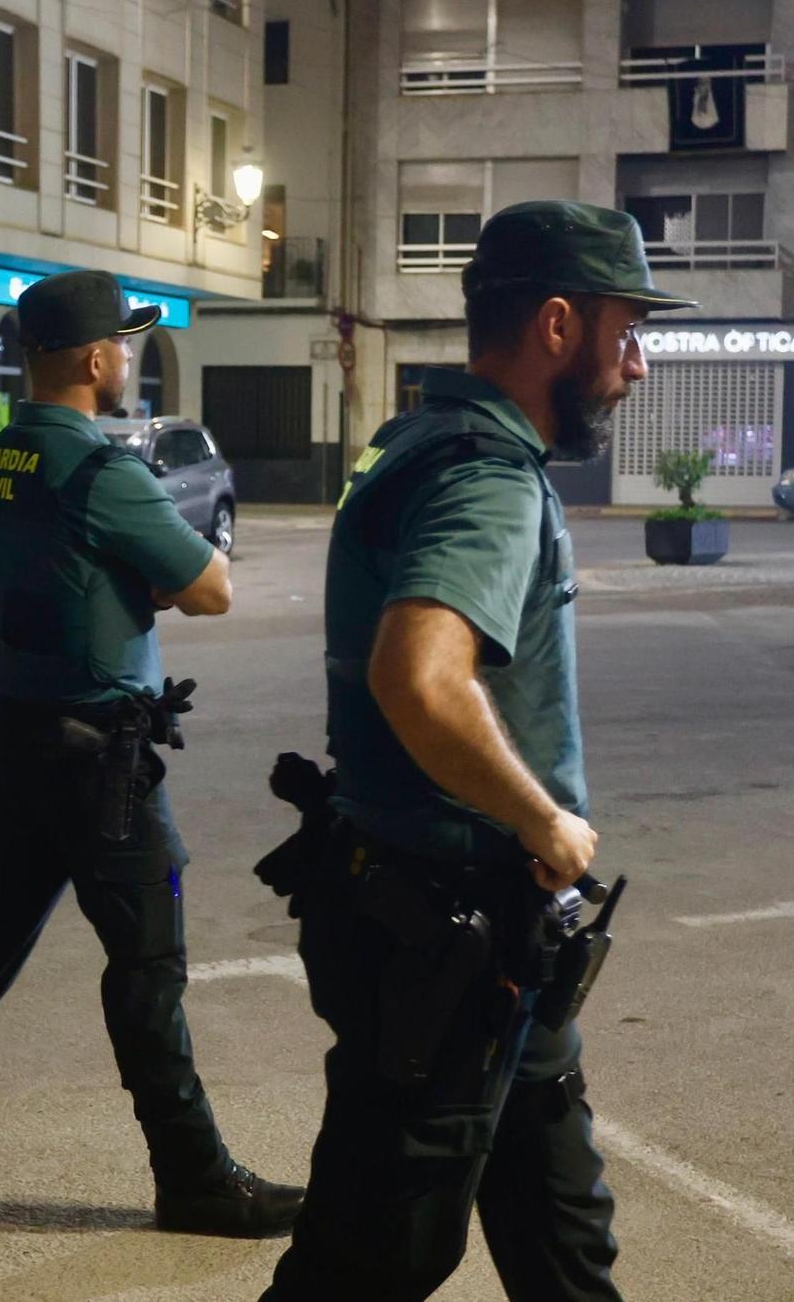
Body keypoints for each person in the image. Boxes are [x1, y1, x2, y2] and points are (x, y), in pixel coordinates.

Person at [0, 269, 300, 1245]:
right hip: (103, 761)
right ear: (93, 357)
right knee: (148, 963)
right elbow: (211, 589)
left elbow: (55, 577)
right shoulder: (105, 471)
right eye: (124, 341)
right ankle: (195, 1178)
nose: (130, 356)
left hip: (16, 734)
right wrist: (147, 583)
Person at [263, 201, 683, 1302]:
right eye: (624, 331)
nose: (635, 365)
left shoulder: (411, 439)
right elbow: (419, 674)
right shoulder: (487, 476)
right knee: (366, 1264)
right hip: (442, 947)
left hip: (475, 947)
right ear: (555, 324)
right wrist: (542, 819)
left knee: (564, 1244)